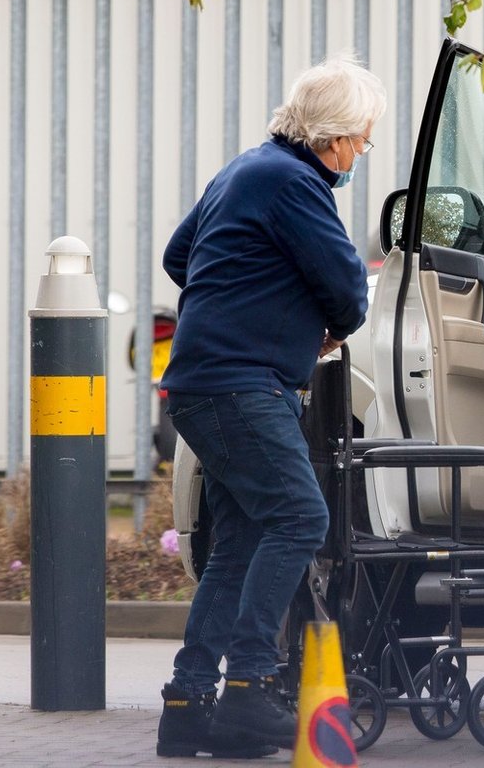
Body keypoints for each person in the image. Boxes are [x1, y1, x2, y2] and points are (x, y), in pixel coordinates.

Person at [154, 55, 385, 758]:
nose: (362, 153)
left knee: (240, 543)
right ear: (336, 138)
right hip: (240, 385)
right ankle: (251, 692)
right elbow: (348, 291)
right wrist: (283, 319)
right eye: (363, 140)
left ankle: (188, 704)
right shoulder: (297, 183)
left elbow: (178, 255)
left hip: (204, 383)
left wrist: (247, 300)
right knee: (300, 515)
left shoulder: (246, 169)